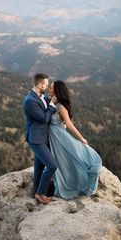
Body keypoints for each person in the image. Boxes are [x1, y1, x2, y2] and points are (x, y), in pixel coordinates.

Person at [48, 80, 102, 199]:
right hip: (54, 140)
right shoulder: (51, 103)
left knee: (72, 159)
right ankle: (61, 185)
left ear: (57, 91)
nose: (49, 89)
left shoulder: (61, 107)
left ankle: (78, 183)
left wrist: (81, 138)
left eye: (51, 88)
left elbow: (69, 124)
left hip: (61, 139)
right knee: (61, 164)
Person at [23, 73, 58, 204]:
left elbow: (49, 106)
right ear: (39, 85)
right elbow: (43, 119)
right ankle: (41, 193)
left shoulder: (43, 96)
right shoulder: (30, 101)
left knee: (39, 166)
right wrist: (52, 105)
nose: (47, 86)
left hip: (43, 137)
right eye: (46, 84)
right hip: (36, 139)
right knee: (52, 165)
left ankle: (37, 190)